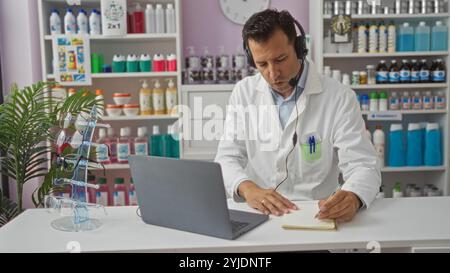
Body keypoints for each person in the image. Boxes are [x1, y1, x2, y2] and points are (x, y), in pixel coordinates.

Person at [214, 9, 381, 223]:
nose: (273, 74)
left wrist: (354, 196)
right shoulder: (244, 92)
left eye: (281, 59)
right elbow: (227, 157)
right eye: (262, 65)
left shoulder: (339, 97)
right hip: (261, 218)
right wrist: (248, 189)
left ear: (300, 49)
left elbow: (363, 164)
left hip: (316, 216)